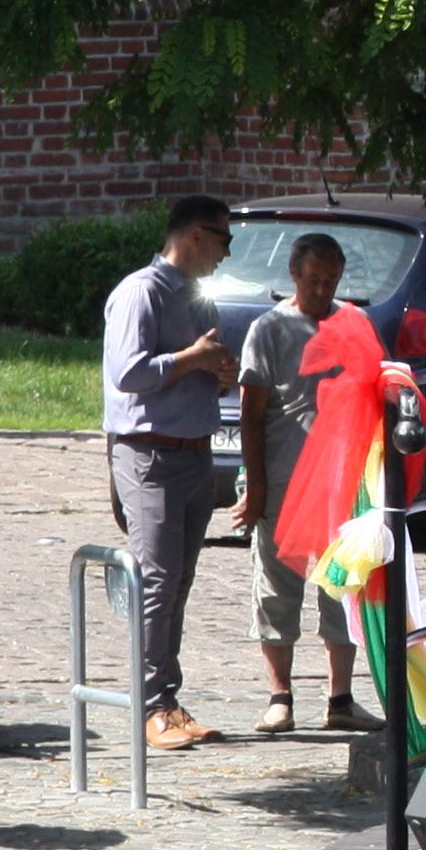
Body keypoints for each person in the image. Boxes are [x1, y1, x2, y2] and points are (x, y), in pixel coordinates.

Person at [102, 196, 242, 754]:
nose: (226, 254)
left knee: (178, 584)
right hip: (149, 457)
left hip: (195, 456)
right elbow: (128, 373)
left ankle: (167, 700)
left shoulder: (199, 299)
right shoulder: (141, 292)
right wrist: (193, 358)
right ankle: (150, 708)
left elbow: (200, 367)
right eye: (224, 242)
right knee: (157, 583)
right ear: (195, 236)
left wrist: (221, 372)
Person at [230, 232, 371, 737]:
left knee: (342, 588)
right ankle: (280, 698)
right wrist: (257, 486)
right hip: (286, 481)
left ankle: (341, 699)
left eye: (331, 281)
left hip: (342, 484)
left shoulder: (352, 325)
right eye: (314, 280)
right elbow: (251, 415)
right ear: (294, 276)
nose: (322, 290)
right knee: (276, 590)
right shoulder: (268, 330)